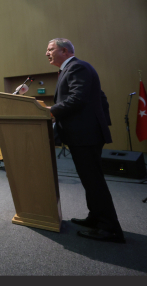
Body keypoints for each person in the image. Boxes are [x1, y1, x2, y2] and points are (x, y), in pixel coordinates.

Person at [45, 38, 123, 243]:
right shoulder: (72, 69)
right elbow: (100, 97)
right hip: (85, 134)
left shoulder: (76, 66)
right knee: (90, 180)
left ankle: (110, 228)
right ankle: (96, 218)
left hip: (86, 136)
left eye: (50, 49)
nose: (47, 53)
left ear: (64, 50)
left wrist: (50, 111)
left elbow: (78, 98)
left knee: (94, 181)